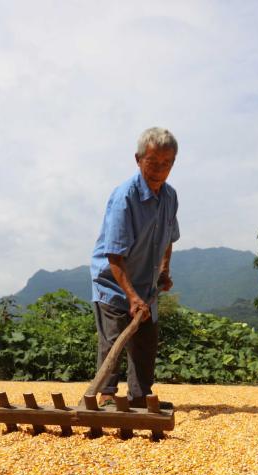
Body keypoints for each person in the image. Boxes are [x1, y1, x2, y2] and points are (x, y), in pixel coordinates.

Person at [89, 127, 180, 408]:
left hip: (146, 284)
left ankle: (139, 396)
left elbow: (168, 238)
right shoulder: (124, 197)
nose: (159, 170)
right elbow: (114, 255)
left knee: (145, 343)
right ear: (138, 159)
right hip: (114, 281)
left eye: (166, 164)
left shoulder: (170, 197)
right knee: (114, 339)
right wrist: (131, 296)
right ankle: (105, 396)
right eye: (152, 162)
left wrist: (164, 270)